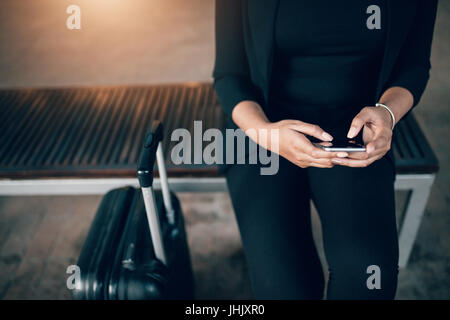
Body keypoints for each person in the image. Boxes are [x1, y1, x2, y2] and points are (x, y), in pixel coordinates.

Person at [213, 0, 437, 299]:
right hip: (263, 128)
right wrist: (265, 133)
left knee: (368, 279)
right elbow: (229, 75)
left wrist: (387, 113)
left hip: (355, 133)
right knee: (284, 288)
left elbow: (414, 66)